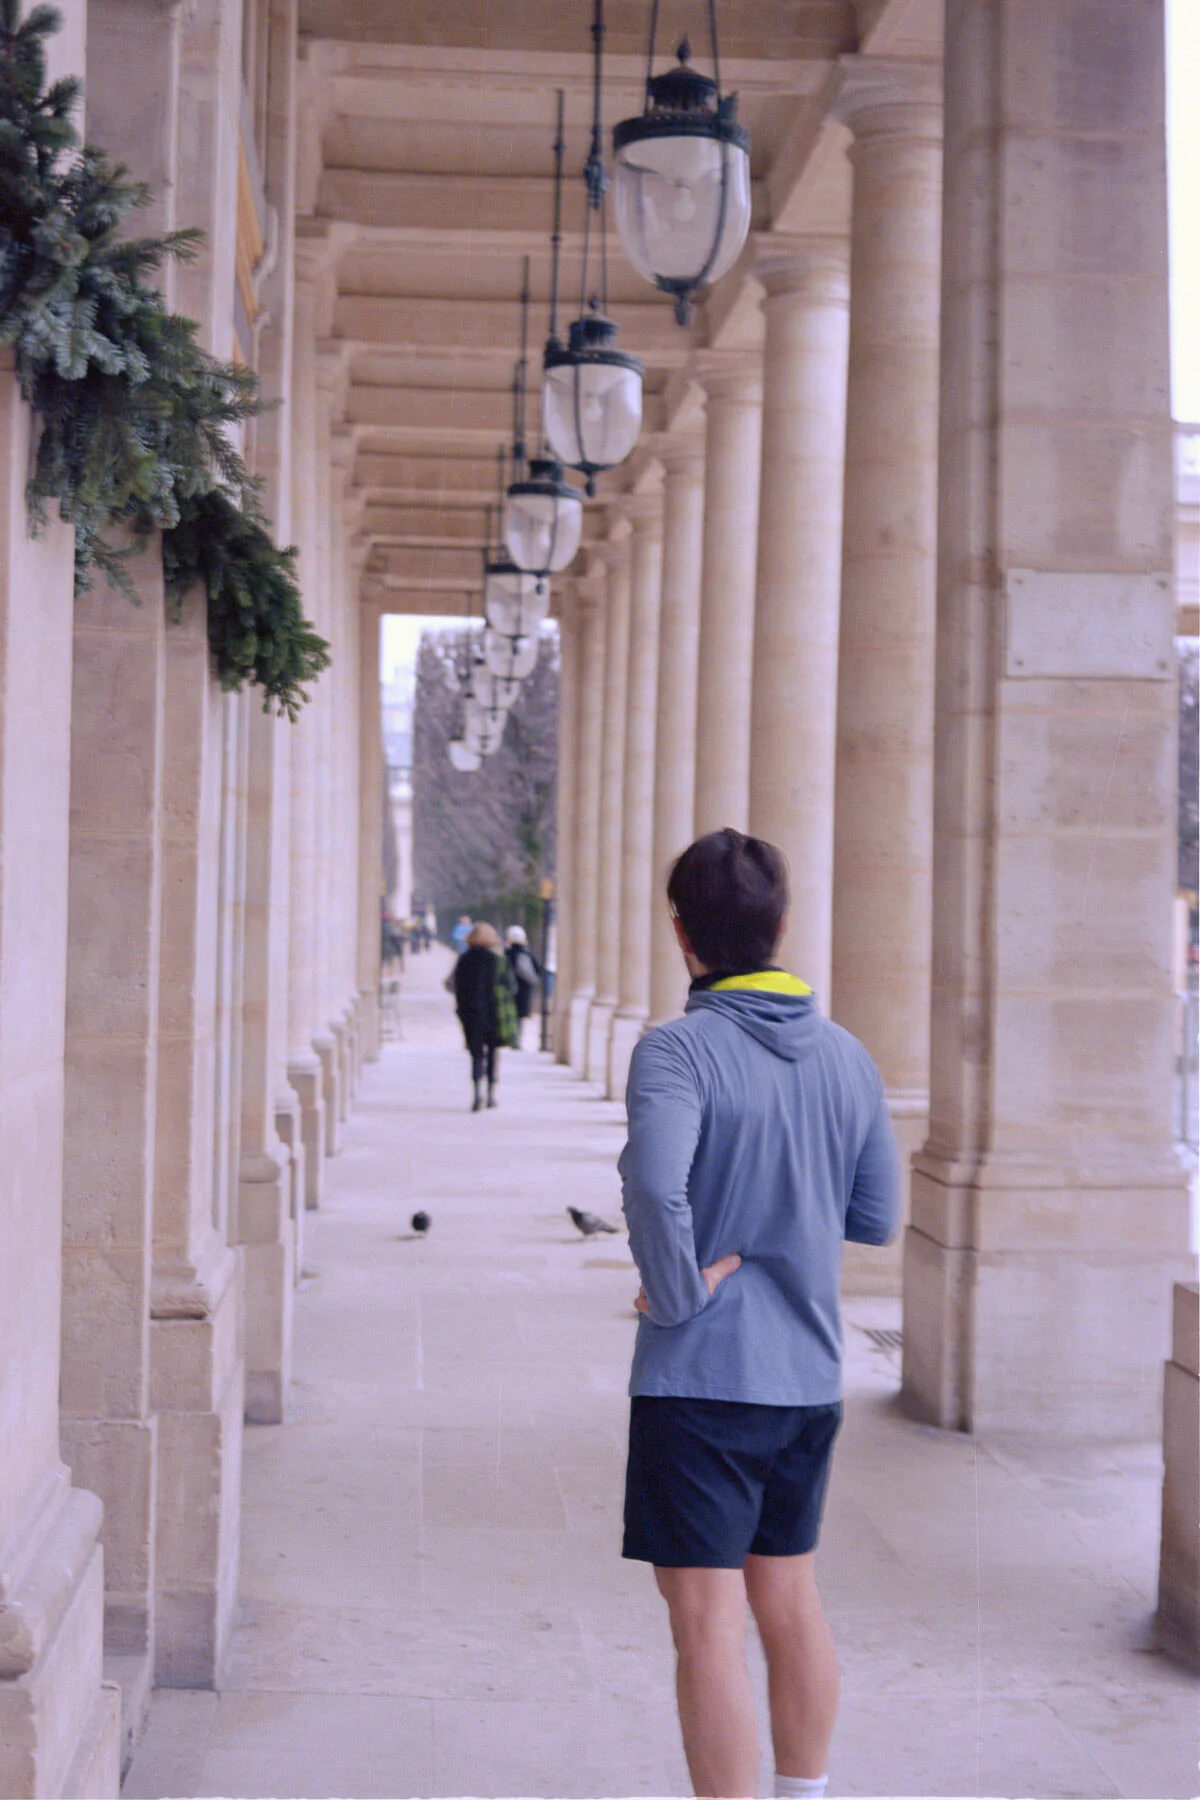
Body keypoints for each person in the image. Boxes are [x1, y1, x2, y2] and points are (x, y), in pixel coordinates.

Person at [619, 828, 901, 1800]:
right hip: (808, 1377)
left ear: (682, 934)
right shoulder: (849, 1057)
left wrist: (683, 1289)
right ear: (780, 928)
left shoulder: (676, 1051)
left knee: (706, 1624)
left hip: (700, 1380)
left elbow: (655, 1190)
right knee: (789, 1597)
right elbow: (876, 1216)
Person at [452, 922, 519, 1111]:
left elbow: (458, 987)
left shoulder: (464, 960)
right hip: (493, 1011)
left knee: (475, 1054)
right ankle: (490, 1093)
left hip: (470, 1012)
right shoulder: (496, 960)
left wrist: (461, 1009)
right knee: (492, 1052)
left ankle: (476, 1093)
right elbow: (511, 986)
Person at [504, 925, 541, 1046]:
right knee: (518, 1016)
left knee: (509, 1014)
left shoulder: (506, 953)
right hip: (522, 989)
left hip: (508, 989)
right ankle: (515, 1039)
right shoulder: (524, 954)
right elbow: (529, 972)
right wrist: (535, 981)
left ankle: (511, 1037)